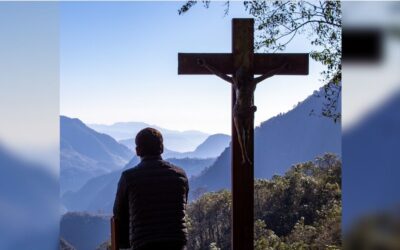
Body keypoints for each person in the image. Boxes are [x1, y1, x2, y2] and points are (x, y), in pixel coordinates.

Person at [113, 128, 189, 250]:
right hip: (177, 242)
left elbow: (118, 214)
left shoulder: (129, 178)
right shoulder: (180, 175)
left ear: (137, 151)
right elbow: (183, 207)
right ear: (162, 148)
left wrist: (125, 244)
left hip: (144, 243)